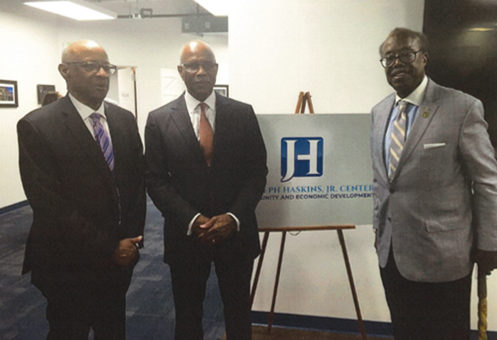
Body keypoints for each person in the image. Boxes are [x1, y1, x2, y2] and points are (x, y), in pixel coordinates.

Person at [370, 27, 497, 340]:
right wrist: (378, 230)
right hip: (392, 255)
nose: (397, 62)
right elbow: (383, 182)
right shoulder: (379, 112)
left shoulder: (461, 107)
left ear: (424, 58)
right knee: (405, 331)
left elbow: (487, 182)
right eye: (389, 58)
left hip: (444, 258)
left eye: (406, 54)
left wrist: (489, 244)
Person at [17, 40, 145, 340]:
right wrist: (109, 247)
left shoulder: (124, 120)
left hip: (120, 261)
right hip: (67, 264)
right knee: (68, 331)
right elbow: (50, 205)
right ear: (65, 71)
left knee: (113, 330)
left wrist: (131, 241)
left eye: (107, 67)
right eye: (90, 66)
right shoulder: (38, 126)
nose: (102, 74)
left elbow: (137, 186)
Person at [145, 40, 267, 340]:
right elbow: (156, 179)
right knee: (187, 315)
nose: (201, 72)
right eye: (192, 65)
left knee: (238, 312)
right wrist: (193, 219)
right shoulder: (159, 120)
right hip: (187, 236)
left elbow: (257, 173)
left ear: (215, 69)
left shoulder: (243, 113)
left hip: (236, 234)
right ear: (180, 71)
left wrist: (233, 217)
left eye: (207, 65)